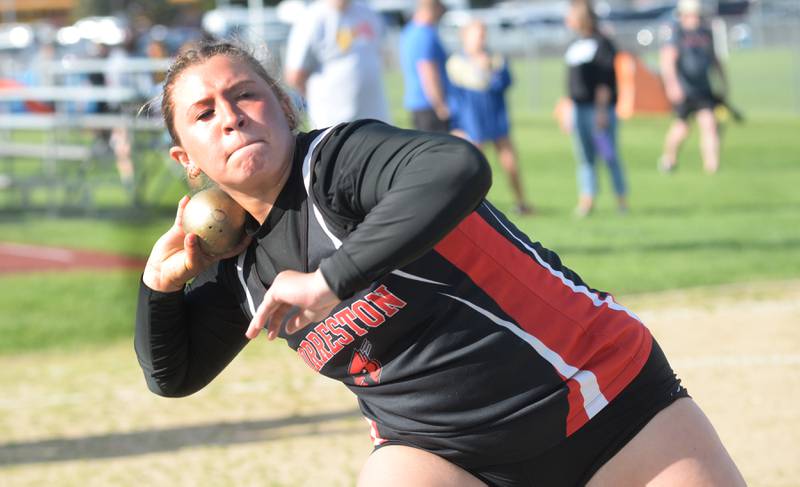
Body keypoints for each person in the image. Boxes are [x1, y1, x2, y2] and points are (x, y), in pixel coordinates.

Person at [135, 40, 746, 486]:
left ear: (285, 109)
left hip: (602, 404)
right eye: (204, 112)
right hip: (444, 458)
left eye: (245, 94)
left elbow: (458, 168)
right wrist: (158, 289)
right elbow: (176, 375)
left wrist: (331, 280)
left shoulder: (339, 163)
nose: (232, 116)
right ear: (186, 157)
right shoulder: (236, 257)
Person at [447, 19, 533, 216]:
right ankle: (474, 207)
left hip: (495, 116)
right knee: (476, 165)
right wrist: (456, 124)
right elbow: (454, 96)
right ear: (466, 37)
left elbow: (505, 82)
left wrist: (491, 71)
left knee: (510, 161)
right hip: (472, 119)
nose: (482, 39)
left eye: (484, 34)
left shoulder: (495, 59)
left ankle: (521, 202)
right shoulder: (456, 63)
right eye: (478, 34)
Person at [564, 0, 628, 217]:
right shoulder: (575, 43)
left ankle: (621, 200)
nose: (567, 19)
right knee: (585, 157)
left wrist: (601, 112)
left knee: (607, 155)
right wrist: (567, 109)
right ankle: (587, 200)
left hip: (597, 111)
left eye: (571, 15)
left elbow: (605, 81)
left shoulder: (602, 43)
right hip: (579, 110)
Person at [284, 0, 390, 129]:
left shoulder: (367, 12)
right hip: (334, 120)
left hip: (375, 115)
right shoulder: (312, 18)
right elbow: (295, 75)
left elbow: (379, 52)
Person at [659, 0, 726, 174]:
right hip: (685, 89)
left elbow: (714, 59)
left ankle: (712, 167)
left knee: (709, 123)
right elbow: (668, 61)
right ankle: (669, 158)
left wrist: (723, 81)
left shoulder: (705, 33)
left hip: (703, 88)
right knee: (682, 128)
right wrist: (672, 85)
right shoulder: (677, 33)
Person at [399, 0, 450, 133]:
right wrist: (440, 106)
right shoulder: (426, 34)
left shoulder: (408, 30)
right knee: (439, 150)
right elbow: (428, 71)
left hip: (417, 103)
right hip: (429, 105)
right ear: (434, 8)